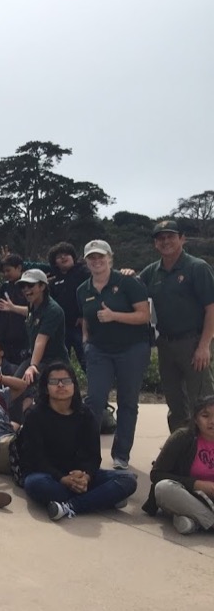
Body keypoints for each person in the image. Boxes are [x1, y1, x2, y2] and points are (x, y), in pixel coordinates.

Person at [19, 363, 137, 521]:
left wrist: (86, 476)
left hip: (79, 474)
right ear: (46, 388)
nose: (61, 385)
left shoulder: (85, 414)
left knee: (128, 480)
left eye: (66, 381)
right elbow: (34, 458)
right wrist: (63, 479)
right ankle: (100, 498)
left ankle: (69, 507)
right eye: (54, 382)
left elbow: (94, 456)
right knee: (36, 485)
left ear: (74, 385)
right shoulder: (35, 415)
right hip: (49, 476)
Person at [77, 239, 152, 470]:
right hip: (99, 351)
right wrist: (86, 343)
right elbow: (86, 319)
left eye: (101, 256)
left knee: (127, 402)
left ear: (110, 257)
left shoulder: (128, 281)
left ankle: (121, 455)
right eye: (92, 257)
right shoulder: (83, 289)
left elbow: (144, 316)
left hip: (132, 349)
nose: (96, 261)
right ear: (86, 261)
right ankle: (88, 454)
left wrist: (115, 316)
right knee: (94, 401)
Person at [139, 220, 214, 432]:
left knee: (204, 403)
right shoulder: (152, 271)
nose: (165, 241)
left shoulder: (197, 267)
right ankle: (180, 450)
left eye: (171, 236)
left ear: (182, 238)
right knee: (175, 404)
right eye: (160, 238)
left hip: (193, 343)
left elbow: (211, 309)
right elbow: (131, 287)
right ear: (155, 244)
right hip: (166, 344)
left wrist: (204, 346)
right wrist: (125, 273)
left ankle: (206, 454)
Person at [143, 395, 214, 535]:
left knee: (187, 522)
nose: (212, 421)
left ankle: (192, 521)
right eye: (205, 416)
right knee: (163, 488)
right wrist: (197, 484)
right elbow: (157, 475)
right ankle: (209, 521)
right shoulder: (183, 437)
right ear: (195, 419)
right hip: (186, 495)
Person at [11, 268, 67, 384]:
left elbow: (41, 340)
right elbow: (31, 314)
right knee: (15, 387)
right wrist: (12, 308)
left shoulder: (53, 310)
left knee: (35, 391)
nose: (26, 290)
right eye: (23, 286)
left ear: (42, 287)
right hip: (34, 357)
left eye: (30, 285)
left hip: (52, 361)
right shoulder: (33, 304)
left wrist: (33, 366)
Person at [48, 242, 90, 370]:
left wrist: (84, 316)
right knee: (62, 363)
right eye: (59, 256)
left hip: (80, 326)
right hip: (62, 328)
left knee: (86, 359)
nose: (63, 257)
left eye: (66, 254)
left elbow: (91, 295)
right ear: (55, 262)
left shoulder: (84, 272)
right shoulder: (53, 279)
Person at [0, 254, 28, 363]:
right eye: (4, 272)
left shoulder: (29, 285)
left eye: (8, 270)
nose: (6, 274)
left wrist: (13, 308)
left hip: (24, 336)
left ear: (19, 268)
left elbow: (35, 309)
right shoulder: (5, 286)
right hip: (6, 336)